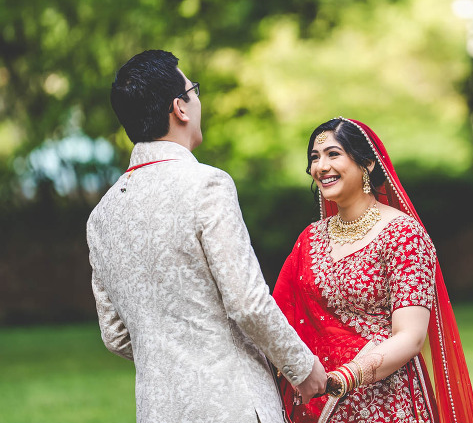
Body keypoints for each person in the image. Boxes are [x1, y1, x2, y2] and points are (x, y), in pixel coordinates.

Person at [86, 50, 326, 423]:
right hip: (232, 404)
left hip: (158, 409)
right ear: (179, 108)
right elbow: (247, 302)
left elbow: (115, 335)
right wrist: (302, 367)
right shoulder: (207, 185)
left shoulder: (101, 216)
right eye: (193, 91)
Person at [273, 117, 473, 423]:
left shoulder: (403, 235)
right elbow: (278, 317)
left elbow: (410, 336)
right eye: (315, 158)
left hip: (386, 403)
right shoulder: (310, 239)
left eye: (333, 154)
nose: (321, 166)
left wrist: (344, 377)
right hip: (319, 404)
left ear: (367, 163)